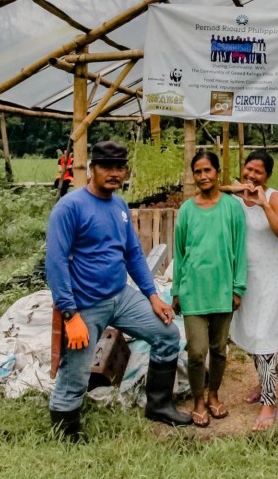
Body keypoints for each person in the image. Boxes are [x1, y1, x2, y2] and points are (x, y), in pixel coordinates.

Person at [45, 140, 191, 441]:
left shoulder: (119, 206)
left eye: (120, 167)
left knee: (167, 335)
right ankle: (66, 432)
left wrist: (152, 296)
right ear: (92, 170)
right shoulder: (69, 208)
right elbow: (56, 264)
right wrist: (70, 316)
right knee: (76, 372)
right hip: (85, 305)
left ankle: (159, 405)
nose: (114, 173)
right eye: (107, 167)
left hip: (121, 296)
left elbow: (134, 254)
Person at [172, 150, 247, 428]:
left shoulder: (231, 207)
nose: (203, 176)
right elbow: (180, 254)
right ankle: (198, 400)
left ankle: (213, 395)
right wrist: (176, 291)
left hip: (222, 290)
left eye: (208, 170)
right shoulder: (187, 210)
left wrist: (238, 287)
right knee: (195, 352)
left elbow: (240, 249)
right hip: (193, 292)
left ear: (217, 173)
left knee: (218, 349)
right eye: (198, 171)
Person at [228, 149, 278, 431]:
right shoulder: (233, 197)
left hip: (269, 274)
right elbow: (209, 187)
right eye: (248, 169)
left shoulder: (274, 197)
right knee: (252, 329)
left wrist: (263, 204)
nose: (251, 176)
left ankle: (269, 401)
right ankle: (262, 382)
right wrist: (236, 188)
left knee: (264, 332)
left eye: (258, 172)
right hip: (246, 275)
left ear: (267, 176)